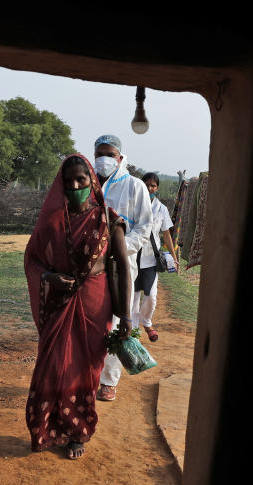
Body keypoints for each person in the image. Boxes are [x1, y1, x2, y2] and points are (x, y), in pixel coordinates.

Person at [23, 154, 132, 459]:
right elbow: (33, 260)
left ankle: (77, 432)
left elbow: (123, 266)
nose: (74, 186)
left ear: (91, 181)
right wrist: (50, 277)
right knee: (54, 364)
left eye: (80, 180)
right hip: (60, 301)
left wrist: (126, 316)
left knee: (86, 368)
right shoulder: (53, 222)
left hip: (96, 302)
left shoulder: (109, 219)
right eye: (68, 181)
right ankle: (47, 428)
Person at [92, 134, 155, 402]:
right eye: (99, 154)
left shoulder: (134, 186)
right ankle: (87, 375)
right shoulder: (88, 182)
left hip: (122, 265)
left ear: (119, 157)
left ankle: (109, 381)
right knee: (93, 317)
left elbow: (144, 227)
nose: (104, 159)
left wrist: (118, 247)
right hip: (91, 264)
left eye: (109, 154)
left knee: (119, 319)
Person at [133, 172, 179, 342]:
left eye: (153, 185)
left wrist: (174, 257)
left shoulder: (161, 209)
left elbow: (166, 234)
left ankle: (146, 322)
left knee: (150, 296)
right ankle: (132, 329)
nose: (149, 188)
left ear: (157, 188)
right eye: (146, 184)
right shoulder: (133, 204)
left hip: (151, 259)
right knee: (133, 296)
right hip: (133, 257)